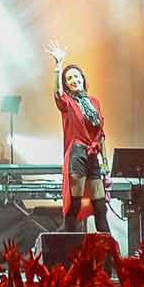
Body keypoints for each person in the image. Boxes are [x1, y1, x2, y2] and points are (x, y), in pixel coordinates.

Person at [45, 42, 110, 234]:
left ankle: (108, 252)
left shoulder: (94, 102)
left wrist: (104, 161)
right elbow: (57, 92)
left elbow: (100, 132)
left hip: (93, 155)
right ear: (66, 84)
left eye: (76, 76)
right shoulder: (66, 102)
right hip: (77, 153)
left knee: (100, 206)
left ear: (83, 78)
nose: (74, 80)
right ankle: (69, 250)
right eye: (69, 78)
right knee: (75, 203)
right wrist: (58, 66)